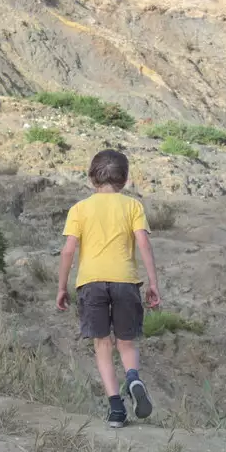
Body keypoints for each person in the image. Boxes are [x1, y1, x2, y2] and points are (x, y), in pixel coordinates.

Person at [55, 149, 161, 428]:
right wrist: (153, 283)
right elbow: (144, 244)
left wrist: (62, 287)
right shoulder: (133, 206)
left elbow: (68, 251)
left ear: (91, 178)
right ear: (124, 179)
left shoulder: (79, 209)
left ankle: (116, 409)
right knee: (126, 341)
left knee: (102, 344)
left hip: (90, 282)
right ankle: (134, 378)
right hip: (126, 281)